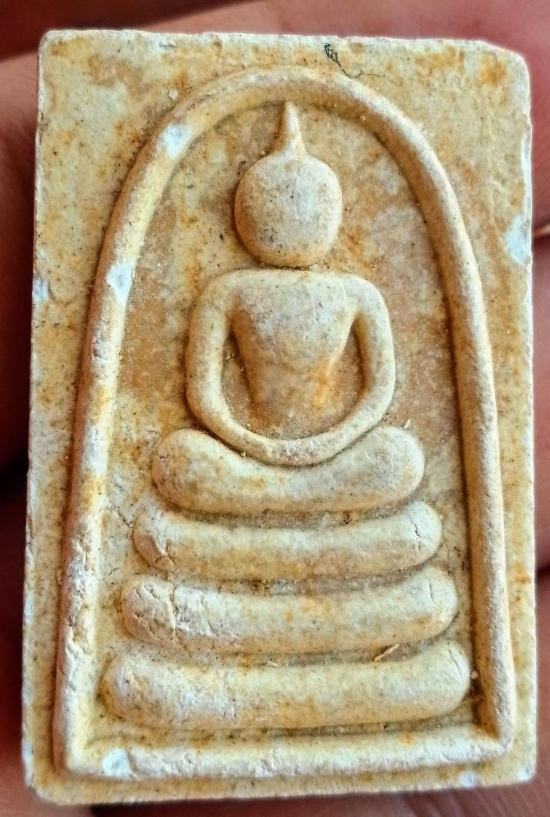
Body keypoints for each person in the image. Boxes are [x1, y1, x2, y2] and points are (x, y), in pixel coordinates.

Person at [0, 1, 548, 815]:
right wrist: (253, 446)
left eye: (304, 209)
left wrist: (323, 445)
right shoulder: (228, 289)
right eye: (275, 209)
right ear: (248, 214)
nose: (290, 224)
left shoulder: (356, 291)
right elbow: (205, 394)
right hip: (236, 464)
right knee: (179, 460)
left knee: (401, 460)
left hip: (343, 465)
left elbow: (378, 394)